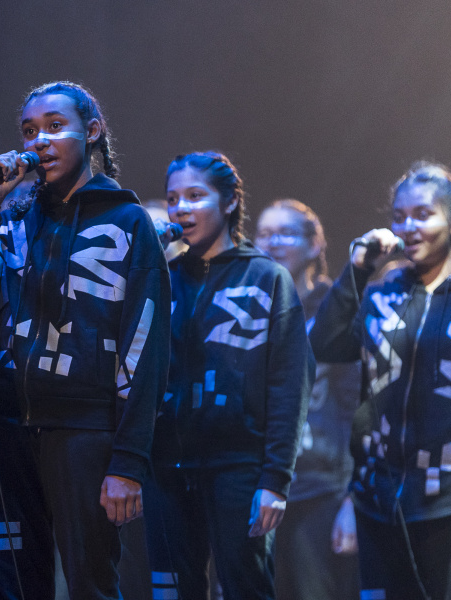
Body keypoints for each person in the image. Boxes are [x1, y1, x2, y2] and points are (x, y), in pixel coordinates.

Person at [0, 81, 170, 599]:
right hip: (7, 428)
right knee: (14, 585)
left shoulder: (128, 222)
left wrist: (129, 461)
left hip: (85, 432)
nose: (39, 140)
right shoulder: (13, 216)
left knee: (91, 584)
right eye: (29, 131)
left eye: (54, 126)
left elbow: (146, 347)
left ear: (92, 132)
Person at [309, 161, 451, 599]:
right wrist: (357, 269)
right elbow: (325, 344)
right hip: (380, 502)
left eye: (423, 215)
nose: (408, 227)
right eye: (399, 217)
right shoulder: (383, 294)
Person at [144, 152, 313, 600]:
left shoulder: (267, 278)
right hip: (166, 469)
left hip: (239, 468)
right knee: (170, 591)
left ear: (230, 201)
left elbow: (289, 386)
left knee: (244, 588)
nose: (181, 209)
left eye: (195, 196)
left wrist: (275, 479)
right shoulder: (162, 278)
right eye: (173, 199)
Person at [255, 199, 360, 600]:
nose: (272, 243)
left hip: (321, 489)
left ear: (315, 244)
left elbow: (358, 406)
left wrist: (353, 497)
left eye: (285, 233)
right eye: (264, 234)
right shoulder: (247, 310)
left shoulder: (337, 309)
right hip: (258, 485)